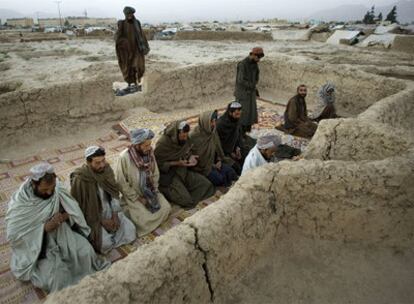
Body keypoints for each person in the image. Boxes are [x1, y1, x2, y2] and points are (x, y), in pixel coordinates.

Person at [6, 163, 109, 293]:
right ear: (34, 184)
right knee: (56, 277)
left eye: (52, 188)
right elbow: (15, 236)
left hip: (62, 232)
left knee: (86, 252)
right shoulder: (20, 203)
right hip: (38, 245)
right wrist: (44, 228)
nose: (50, 192)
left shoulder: (57, 189)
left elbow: (72, 211)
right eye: (44, 190)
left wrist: (64, 217)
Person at [70, 146, 136, 254]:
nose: (101, 165)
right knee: (105, 245)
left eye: (103, 161)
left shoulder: (107, 170)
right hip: (92, 218)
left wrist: (114, 215)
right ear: (88, 162)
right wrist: (101, 221)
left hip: (109, 211)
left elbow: (114, 193)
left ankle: (111, 232)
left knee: (131, 231)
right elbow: (79, 207)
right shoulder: (80, 178)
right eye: (97, 163)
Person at [115, 128, 171, 237]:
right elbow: (121, 183)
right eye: (146, 145)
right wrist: (138, 198)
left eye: (149, 144)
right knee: (144, 221)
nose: (149, 147)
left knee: (166, 208)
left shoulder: (150, 153)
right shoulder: (124, 157)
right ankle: (131, 210)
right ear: (137, 145)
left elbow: (155, 173)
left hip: (150, 191)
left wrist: (154, 190)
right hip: (134, 195)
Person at [154, 121, 216, 208]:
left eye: (187, 135)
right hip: (168, 176)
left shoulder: (184, 139)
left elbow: (185, 152)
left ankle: (182, 192)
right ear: (176, 134)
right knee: (187, 201)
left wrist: (190, 157)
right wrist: (176, 163)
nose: (186, 138)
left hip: (181, 171)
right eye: (183, 135)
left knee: (206, 185)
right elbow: (156, 164)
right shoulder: (163, 143)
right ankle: (169, 191)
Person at [190, 110, 238, 187]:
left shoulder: (213, 132)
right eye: (211, 122)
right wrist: (212, 166)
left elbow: (217, 150)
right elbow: (193, 158)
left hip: (215, 162)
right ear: (205, 122)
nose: (214, 124)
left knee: (231, 172)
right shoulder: (193, 137)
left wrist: (218, 160)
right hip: (203, 168)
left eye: (215, 121)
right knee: (220, 179)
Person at [115, 6, 150, 93]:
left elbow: (142, 35)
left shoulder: (137, 23)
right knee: (128, 68)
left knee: (139, 66)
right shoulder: (122, 24)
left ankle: (138, 84)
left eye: (131, 14)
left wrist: (145, 46)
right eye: (128, 14)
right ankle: (131, 84)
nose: (130, 15)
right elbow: (117, 37)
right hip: (126, 52)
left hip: (137, 50)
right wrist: (124, 42)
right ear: (125, 15)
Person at [216, 101, 256, 175]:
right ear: (230, 113)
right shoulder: (220, 125)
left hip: (234, 148)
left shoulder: (235, 120)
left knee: (249, 156)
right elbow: (218, 144)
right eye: (236, 114)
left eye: (240, 114)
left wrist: (237, 148)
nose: (239, 116)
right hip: (224, 152)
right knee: (237, 169)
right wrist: (231, 153)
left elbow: (237, 136)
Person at [235, 47, 264, 134]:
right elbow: (240, 80)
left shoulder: (255, 64)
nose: (258, 60)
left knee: (250, 114)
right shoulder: (242, 64)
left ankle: (247, 131)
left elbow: (256, 77)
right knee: (242, 114)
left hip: (250, 92)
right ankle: (240, 133)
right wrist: (251, 85)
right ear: (253, 55)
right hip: (243, 93)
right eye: (257, 57)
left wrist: (254, 86)